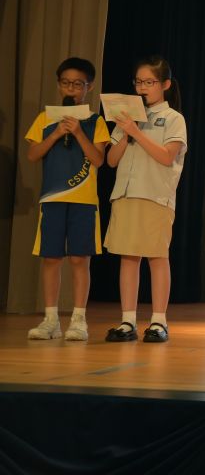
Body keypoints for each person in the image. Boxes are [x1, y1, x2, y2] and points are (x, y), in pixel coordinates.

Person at [25, 57, 109, 341]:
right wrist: (56, 133)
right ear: (59, 85)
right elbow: (33, 154)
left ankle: (78, 319)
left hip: (84, 201)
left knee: (79, 259)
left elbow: (98, 159)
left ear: (89, 87)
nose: (71, 89)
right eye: (66, 83)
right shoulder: (45, 119)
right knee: (51, 258)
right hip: (52, 198)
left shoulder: (95, 121)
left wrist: (78, 132)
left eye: (77, 84)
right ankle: (50, 320)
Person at [104, 55, 186, 343]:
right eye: (139, 82)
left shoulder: (173, 119)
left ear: (165, 85)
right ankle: (127, 320)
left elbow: (166, 157)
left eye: (149, 82)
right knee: (128, 256)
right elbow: (111, 160)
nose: (142, 88)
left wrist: (136, 132)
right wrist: (127, 133)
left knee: (157, 256)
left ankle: (159, 321)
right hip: (125, 194)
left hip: (155, 196)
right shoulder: (126, 119)